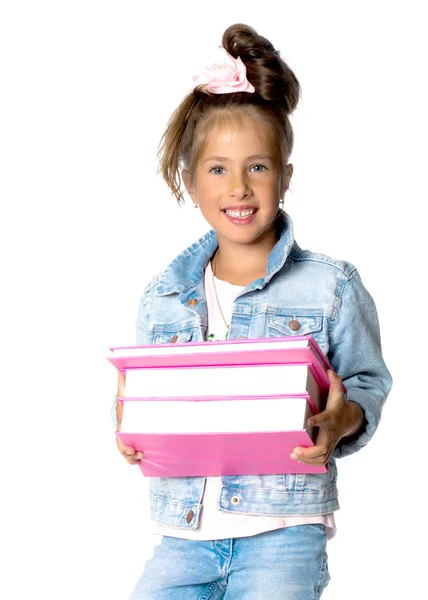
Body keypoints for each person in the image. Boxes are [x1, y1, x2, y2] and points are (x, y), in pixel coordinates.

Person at [114, 23, 392, 600]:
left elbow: (368, 382)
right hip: (181, 534)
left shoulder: (331, 286)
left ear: (285, 178)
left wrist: (342, 419)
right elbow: (143, 397)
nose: (239, 187)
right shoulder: (161, 295)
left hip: (283, 534)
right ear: (191, 182)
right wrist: (129, 423)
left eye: (258, 167)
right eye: (218, 169)